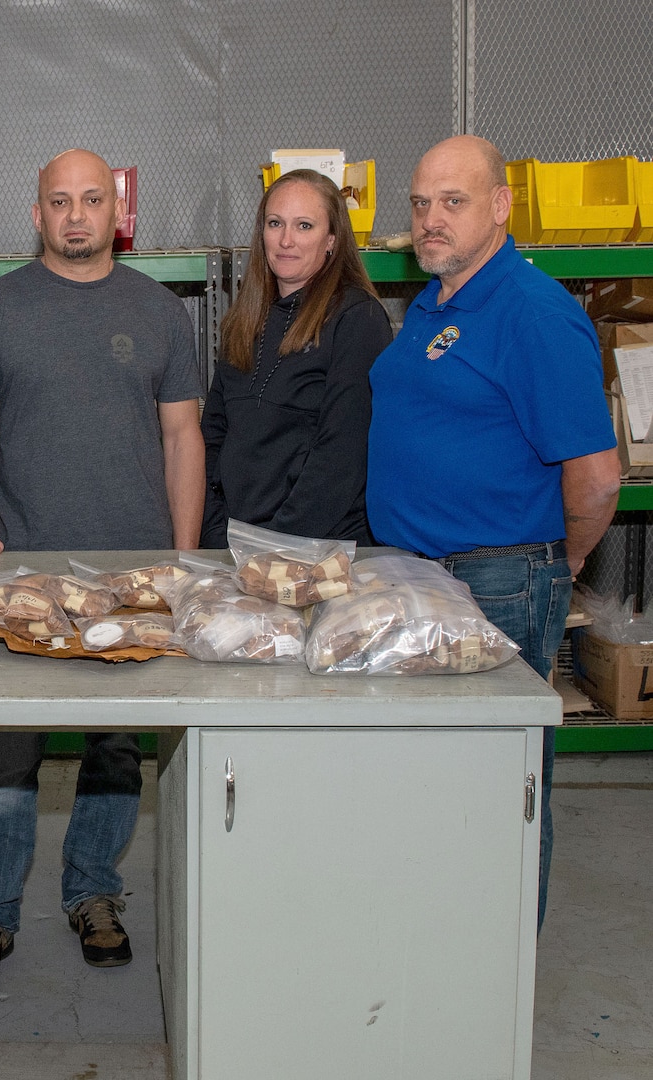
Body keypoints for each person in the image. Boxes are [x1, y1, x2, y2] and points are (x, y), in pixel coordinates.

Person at [0, 148, 205, 993]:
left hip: (132, 574)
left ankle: (94, 893)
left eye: (92, 200)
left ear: (116, 213)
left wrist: (183, 560)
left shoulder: (160, 311)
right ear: (37, 213)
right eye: (60, 201)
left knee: (115, 748)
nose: (77, 215)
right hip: (24, 574)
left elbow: (182, 438)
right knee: (7, 752)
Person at [368, 134, 621, 929]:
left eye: (454, 201)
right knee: (428, 784)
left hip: (493, 583)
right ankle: (435, 949)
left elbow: (597, 477)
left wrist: (557, 563)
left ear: (503, 206)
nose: (431, 219)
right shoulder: (436, 303)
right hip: (419, 575)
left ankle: (495, 965)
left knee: (496, 786)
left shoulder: (532, 311)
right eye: (421, 203)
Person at [201, 169, 393, 547]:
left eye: (304, 226)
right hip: (238, 548)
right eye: (275, 223)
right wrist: (215, 535)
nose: (286, 240)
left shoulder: (358, 319)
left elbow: (342, 457)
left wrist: (274, 550)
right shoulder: (245, 320)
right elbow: (213, 436)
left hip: (319, 551)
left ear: (332, 240)